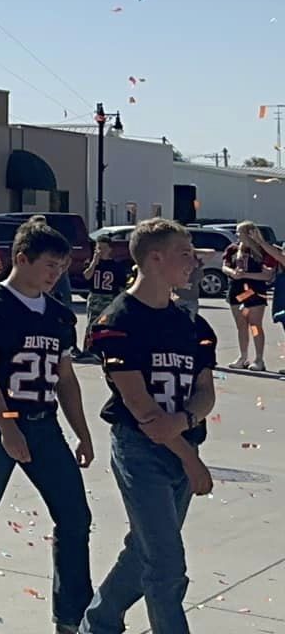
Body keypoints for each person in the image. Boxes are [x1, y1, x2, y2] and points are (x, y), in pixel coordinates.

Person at [0, 220, 94, 634]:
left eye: (62, 266)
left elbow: (66, 378)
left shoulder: (60, 315)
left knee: (75, 516)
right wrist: (8, 427)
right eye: (48, 264)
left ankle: (71, 615)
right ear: (21, 259)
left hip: (44, 425)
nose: (55, 273)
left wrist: (83, 431)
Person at [83, 217, 217, 634]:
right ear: (155, 259)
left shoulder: (192, 325)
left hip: (182, 445)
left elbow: (205, 391)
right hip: (142, 451)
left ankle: (99, 623)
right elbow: (141, 409)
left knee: (145, 548)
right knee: (166, 564)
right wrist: (190, 459)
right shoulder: (117, 322)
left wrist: (187, 420)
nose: (194, 261)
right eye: (184, 253)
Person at [226, 221, 275, 369]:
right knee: (241, 326)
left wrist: (245, 274)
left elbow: (267, 275)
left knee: (255, 325)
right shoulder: (233, 249)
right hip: (236, 291)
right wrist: (233, 273)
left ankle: (259, 359)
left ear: (250, 234)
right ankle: (243, 356)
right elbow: (225, 266)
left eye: (239, 232)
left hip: (254, 293)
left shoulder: (263, 252)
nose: (237, 235)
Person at [77, 234, 132, 363]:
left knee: (106, 323)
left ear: (109, 249)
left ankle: (103, 349)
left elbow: (122, 285)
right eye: (98, 248)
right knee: (91, 322)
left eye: (103, 248)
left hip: (109, 297)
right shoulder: (91, 263)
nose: (100, 251)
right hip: (95, 296)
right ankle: (87, 350)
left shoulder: (116, 266)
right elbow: (86, 276)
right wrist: (94, 263)